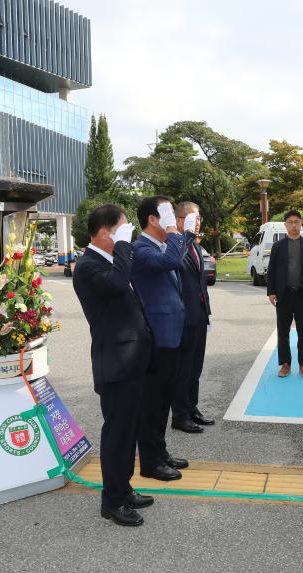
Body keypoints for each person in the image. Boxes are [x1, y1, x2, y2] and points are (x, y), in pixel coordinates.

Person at [72, 204, 154, 526]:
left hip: (132, 360)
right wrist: (122, 245)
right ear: (105, 232)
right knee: (117, 433)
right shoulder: (88, 266)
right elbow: (119, 284)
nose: (127, 237)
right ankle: (113, 501)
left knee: (129, 429)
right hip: (116, 364)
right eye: (122, 230)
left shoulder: (108, 261)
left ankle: (124, 487)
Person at [131, 196, 190, 481]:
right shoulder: (141, 248)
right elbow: (171, 261)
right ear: (153, 219)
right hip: (155, 337)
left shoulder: (162, 246)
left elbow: (175, 259)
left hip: (170, 335)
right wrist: (176, 231)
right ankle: (150, 462)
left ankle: (160, 452)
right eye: (166, 213)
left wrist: (179, 235)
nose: (171, 218)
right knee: (152, 402)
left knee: (164, 399)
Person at [172, 202, 214, 434]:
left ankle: (192, 407)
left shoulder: (196, 247)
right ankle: (179, 415)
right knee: (183, 368)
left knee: (196, 366)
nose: (197, 223)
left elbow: (200, 282)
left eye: (198, 219)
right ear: (178, 221)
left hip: (198, 314)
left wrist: (207, 312)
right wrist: (185, 237)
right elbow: (174, 264)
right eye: (191, 219)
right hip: (182, 317)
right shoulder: (174, 244)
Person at [266, 210, 303, 378]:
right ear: (285, 225)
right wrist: (271, 291)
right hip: (284, 295)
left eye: (296, 222)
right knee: (283, 333)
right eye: (290, 222)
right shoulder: (278, 246)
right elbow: (272, 270)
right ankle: (285, 364)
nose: (294, 225)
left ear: (301, 223)